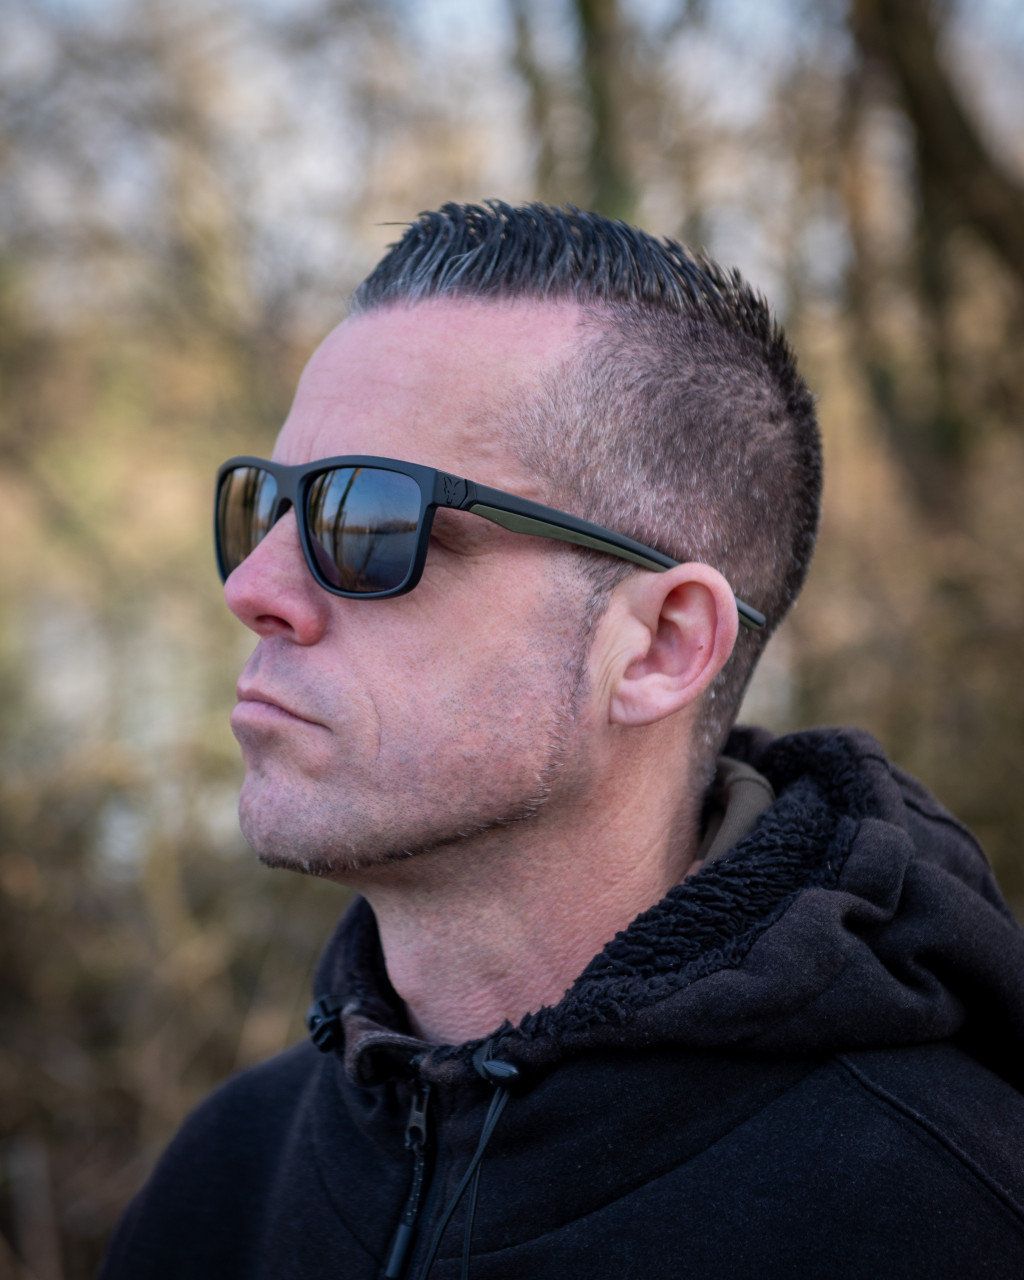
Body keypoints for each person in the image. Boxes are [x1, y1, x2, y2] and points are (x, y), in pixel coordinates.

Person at [99, 202, 1024, 1279]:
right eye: (264, 505)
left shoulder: (939, 1222)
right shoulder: (224, 1179)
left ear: (660, 647)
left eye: (369, 520)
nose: (255, 588)